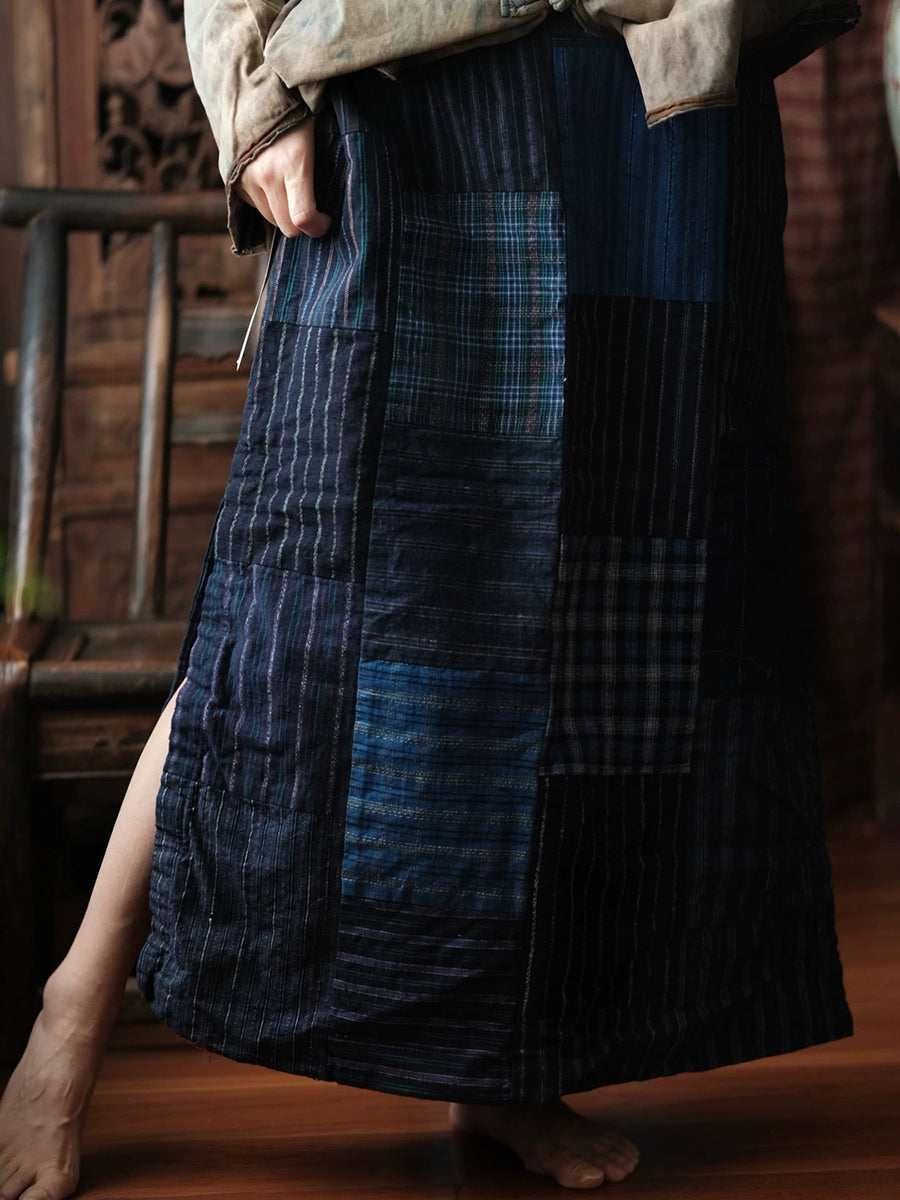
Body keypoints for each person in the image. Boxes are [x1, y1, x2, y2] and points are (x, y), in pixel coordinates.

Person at [0, 2, 862, 1197]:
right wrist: (255, 105)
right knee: (293, 622)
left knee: (606, 623)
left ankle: (504, 1069)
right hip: (406, 103)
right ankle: (73, 1009)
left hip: (651, 121)